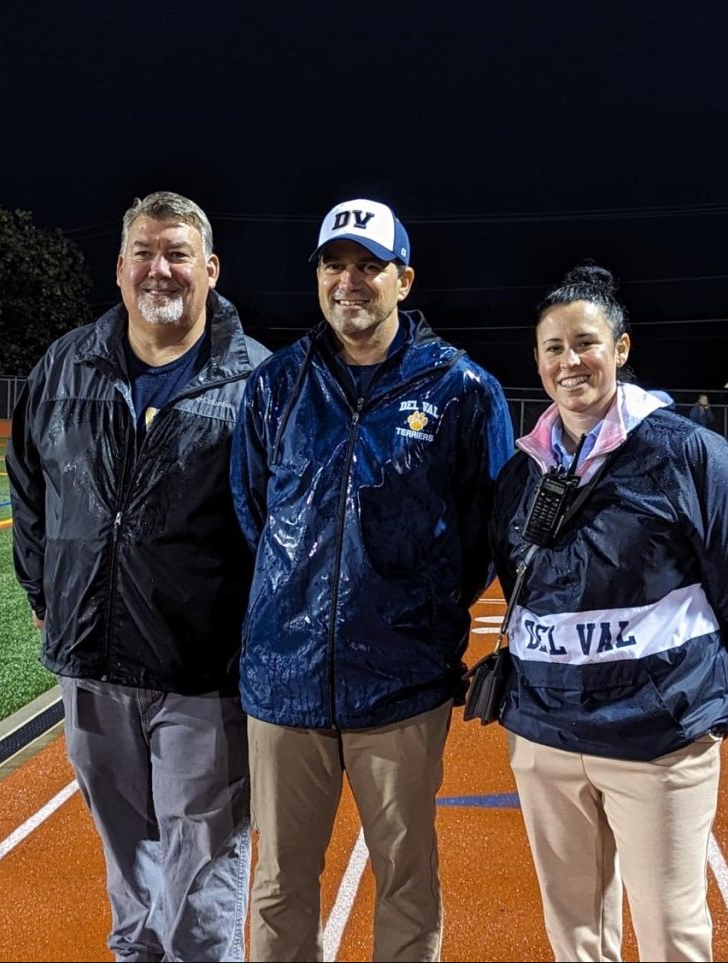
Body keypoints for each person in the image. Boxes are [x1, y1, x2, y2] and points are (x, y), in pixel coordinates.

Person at [230, 198, 514, 962]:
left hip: (401, 687)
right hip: (285, 683)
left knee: (406, 882)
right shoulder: (276, 386)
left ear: (404, 279)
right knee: (280, 884)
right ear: (318, 276)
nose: (349, 281)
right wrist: (298, 602)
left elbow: (485, 533)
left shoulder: (462, 390)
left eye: (368, 266)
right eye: (335, 264)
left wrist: (412, 609)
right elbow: (254, 511)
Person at [487, 263, 728, 963]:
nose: (570, 362)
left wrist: (706, 707)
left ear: (620, 348)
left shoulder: (686, 452)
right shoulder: (521, 469)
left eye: (585, 343)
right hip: (546, 736)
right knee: (577, 936)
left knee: (672, 933)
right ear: (537, 359)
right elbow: (514, 579)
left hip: (659, 737)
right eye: (553, 348)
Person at [6, 191, 269, 962]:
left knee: (201, 876)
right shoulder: (65, 364)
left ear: (210, 270)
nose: (161, 269)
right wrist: (41, 594)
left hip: (201, 675)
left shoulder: (258, 383)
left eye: (178, 254)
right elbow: (28, 488)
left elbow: (281, 529)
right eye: (146, 253)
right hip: (92, 666)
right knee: (130, 875)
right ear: (120, 269)